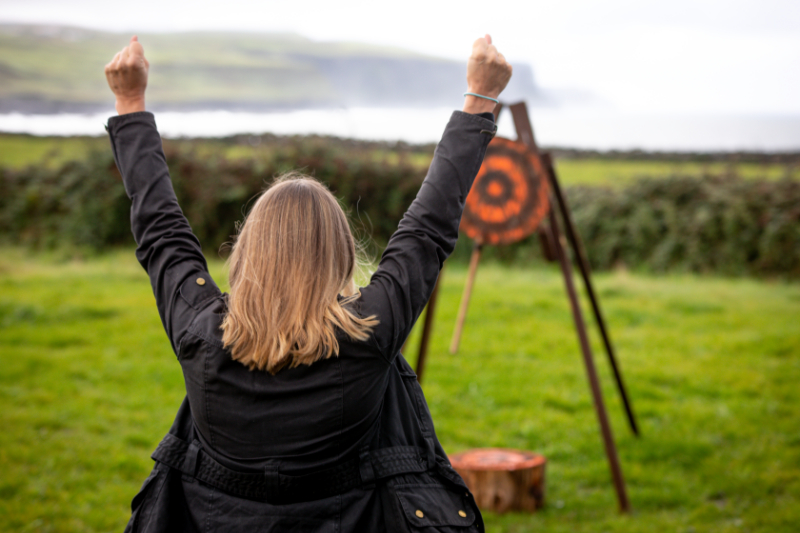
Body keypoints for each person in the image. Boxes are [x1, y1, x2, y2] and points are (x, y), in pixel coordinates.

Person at [104, 34, 512, 533]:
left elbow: (160, 231)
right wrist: (480, 99)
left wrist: (130, 104)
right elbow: (427, 229)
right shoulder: (368, 333)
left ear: (247, 252)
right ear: (339, 255)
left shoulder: (199, 332)